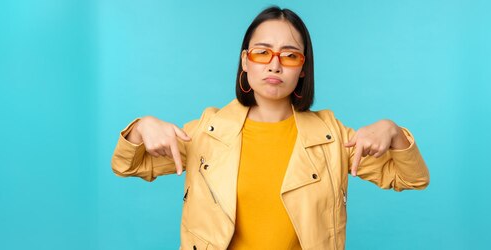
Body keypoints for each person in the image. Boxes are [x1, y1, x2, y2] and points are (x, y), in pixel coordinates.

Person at [111, 6, 429, 250]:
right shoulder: (205, 133)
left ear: (303, 68)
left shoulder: (332, 138)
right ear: (245, 62)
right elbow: (127, 165)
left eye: (290, 55)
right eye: (262, 52)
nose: (274, 64)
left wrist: (393, 131)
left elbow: (412, 178)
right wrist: (141, 127)